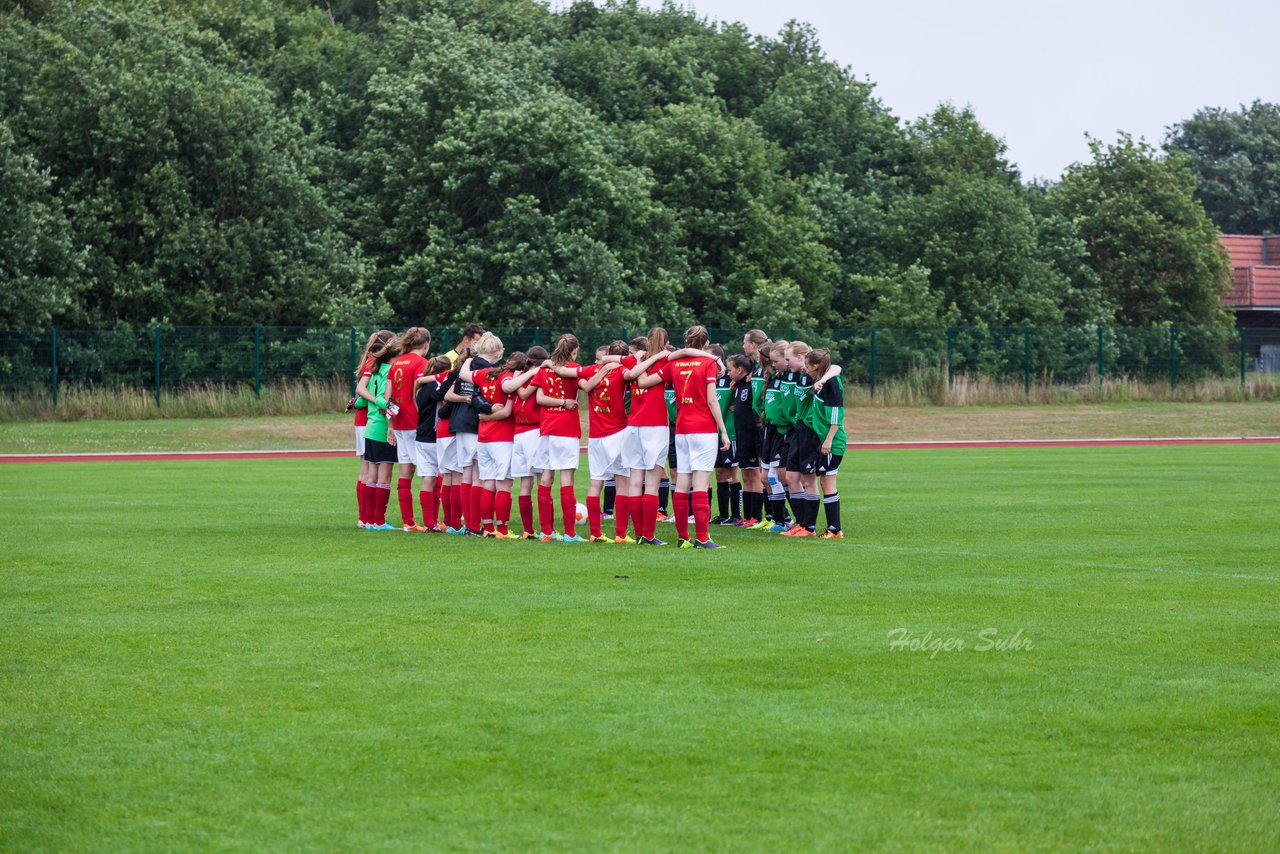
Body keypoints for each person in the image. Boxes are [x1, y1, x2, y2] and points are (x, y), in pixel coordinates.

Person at [637, 326, 730, 549]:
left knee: (682, 483)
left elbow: (644, 382)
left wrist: (638, 362)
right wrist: (723, 431)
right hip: (703, 429)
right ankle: (702, 538)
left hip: (681, 429)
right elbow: (711, 400)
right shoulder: (708, 363)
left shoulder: (674, 363)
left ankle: (683, 537)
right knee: (701, 483)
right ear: (706, 343)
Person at [554, 341, 629, 543]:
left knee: (596, 482)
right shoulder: (624, 371)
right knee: (623, 483)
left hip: (595, 436)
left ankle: (595, 533)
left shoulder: (590, 370)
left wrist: (548, 364)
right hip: (617, 432)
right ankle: (621, 534)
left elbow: (563, 371)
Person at [620, 329, 673, 545]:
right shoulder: (665, 362)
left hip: (633, 425)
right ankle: (648, 535)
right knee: (651, 483)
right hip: (655, 426)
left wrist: (639, 358)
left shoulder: (634, 360)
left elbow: (609, 359)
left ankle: (640, 533)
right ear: (666, 343)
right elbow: (642, 381)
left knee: (635, 483)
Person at [532, 334, 584, 542]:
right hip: (567, 427)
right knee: (566, 478)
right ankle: (570, 533)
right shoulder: (573, 368)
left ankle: (546, 531)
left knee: (546, 476)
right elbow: (583, 388)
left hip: (547, 427)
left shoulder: (545, 369)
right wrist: (565, 402)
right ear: (573, 351)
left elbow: (539, 398)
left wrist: (558, 402)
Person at [793, 348, 846, 539]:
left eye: (807, 366)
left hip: (832, 442)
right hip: (824, 440)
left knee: (828, 482)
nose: (805, 370)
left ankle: (835, 529)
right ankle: (833, 528)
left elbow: (836, 416)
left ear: (815, 366)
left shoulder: (831, 384)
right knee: (825, 482)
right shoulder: (822, 381)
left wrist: (829, 440)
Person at [356, 331, 401, 531]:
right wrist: (391, 427)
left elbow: (361, 399)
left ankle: (368, 520)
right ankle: (378, 521)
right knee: (385, 476)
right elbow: (386, 401)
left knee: (371, 475)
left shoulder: (375, 369)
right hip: (382, 427)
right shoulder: (389, 372)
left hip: (370, 427)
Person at [388, 327, 431, 531]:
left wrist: (390, 424)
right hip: (415, 422)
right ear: (426, 344)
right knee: (430, 472)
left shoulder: (396, 363)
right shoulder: (421, 363)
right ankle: (432, 521)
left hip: (399, 422)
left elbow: (388, 398)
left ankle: (408, 522)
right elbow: (418, 394)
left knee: (405, 471)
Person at [413, 356, 455, 532]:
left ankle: (431, 522)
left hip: (421, 436)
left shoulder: (421, 387)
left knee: (428, 479)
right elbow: (442, 394)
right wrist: (452, 376)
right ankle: (432, 522)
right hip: (432, 436)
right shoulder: (432, 386)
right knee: (436, 479)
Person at [727, 354, 765, 527]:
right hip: (741, 437)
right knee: (746, 475)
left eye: (730, 370)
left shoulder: (751, 385)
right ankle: (747, 516)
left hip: (751, 436)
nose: (728, 374)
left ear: (740, 370)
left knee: (754, 475)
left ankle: (756, 516)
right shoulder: (739, 386)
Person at [351, 332, 380, 528]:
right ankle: (365, 517)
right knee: (368, 470)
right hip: (366, 420)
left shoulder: (368, 360)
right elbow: (363, 395)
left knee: (365, 470)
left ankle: (364, 517)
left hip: (362, 420)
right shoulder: (373, 363)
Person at [709, 343, 741, 526]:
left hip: (729, 433)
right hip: (712, 433)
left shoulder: (731, 378)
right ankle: (723, 514)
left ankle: (736, 515)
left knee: (731, 473)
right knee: (719, 473)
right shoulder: (708, 377)